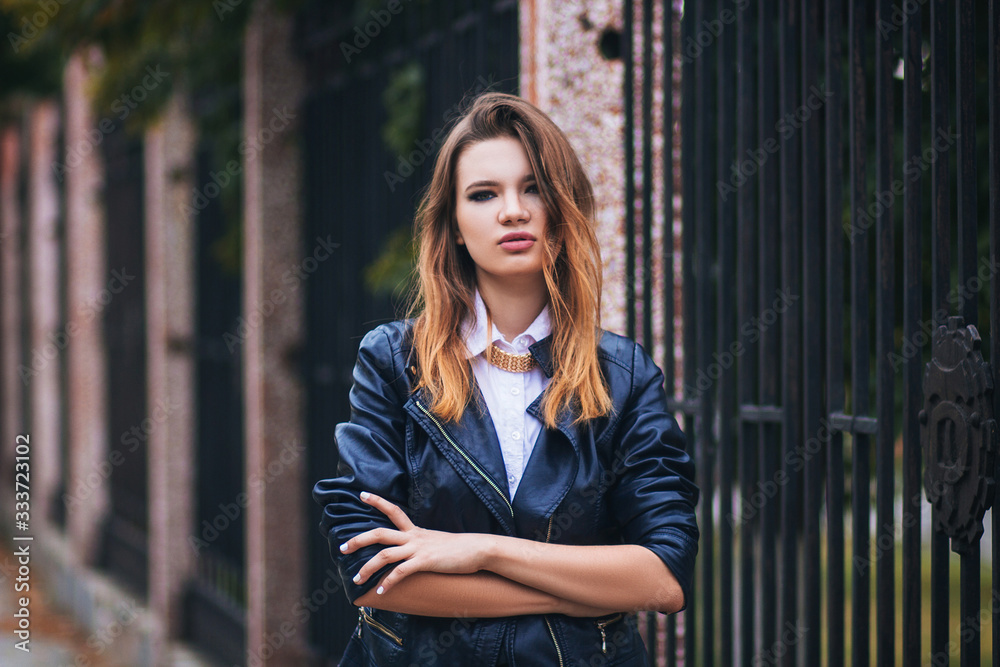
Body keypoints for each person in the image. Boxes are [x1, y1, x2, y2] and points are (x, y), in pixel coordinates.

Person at [313, 92, 699, 666]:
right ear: (456, 228)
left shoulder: (624, 376)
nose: (513, 211)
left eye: (533, 188)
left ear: (562, 214)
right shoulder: (395, 363)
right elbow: (369, 572)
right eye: (484, 194)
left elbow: (663, 577)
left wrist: (479, 551)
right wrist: (581, 588)